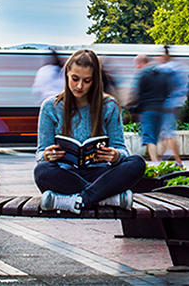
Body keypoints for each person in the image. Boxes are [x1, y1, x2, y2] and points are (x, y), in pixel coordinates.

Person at [34, 49, 145, 214]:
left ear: (95, 81)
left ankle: (76, 200)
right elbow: (40, 153)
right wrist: (46, 155)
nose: (79, 86)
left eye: (86, 81)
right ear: (66, 76)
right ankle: (107, 198)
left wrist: (115, 156)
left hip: (99, 173)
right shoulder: (51, 107)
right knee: (42, 171)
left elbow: (122, 149)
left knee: (137, 163)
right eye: (75, 79)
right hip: (66, 173)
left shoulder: (109, 106)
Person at [132, 54, 170, 164]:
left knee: (150, 138)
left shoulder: (143, 74)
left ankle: (155, 163)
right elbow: (168, 90)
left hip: (148, 110)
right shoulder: (162, 73)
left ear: (140, 63)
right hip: (162, 109)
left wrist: (134, 108)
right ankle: (161, 158)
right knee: (160, 135)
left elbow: (138, 93)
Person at [157, 45, 188, 168]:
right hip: (172, 104)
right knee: (164, 132)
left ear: (165, 55)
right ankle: (161, 158)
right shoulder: (177, 67)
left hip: (166, 104)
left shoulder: (167, 69)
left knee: (168, 132)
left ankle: (177, 161)